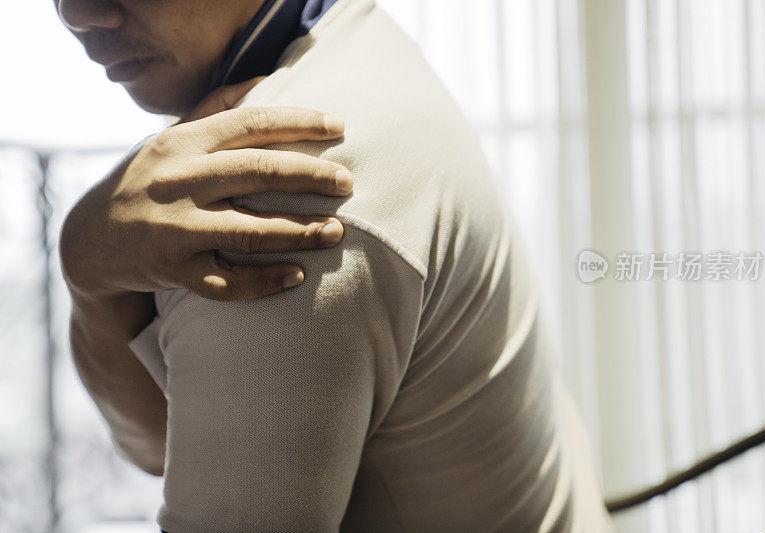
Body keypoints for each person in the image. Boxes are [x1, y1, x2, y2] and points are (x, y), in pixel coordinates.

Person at [56, 0, 615, 531]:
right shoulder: (355, 35)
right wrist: (87, 272)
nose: (77, 13)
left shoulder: (272, 197)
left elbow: (154, 449)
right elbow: (161, 443)